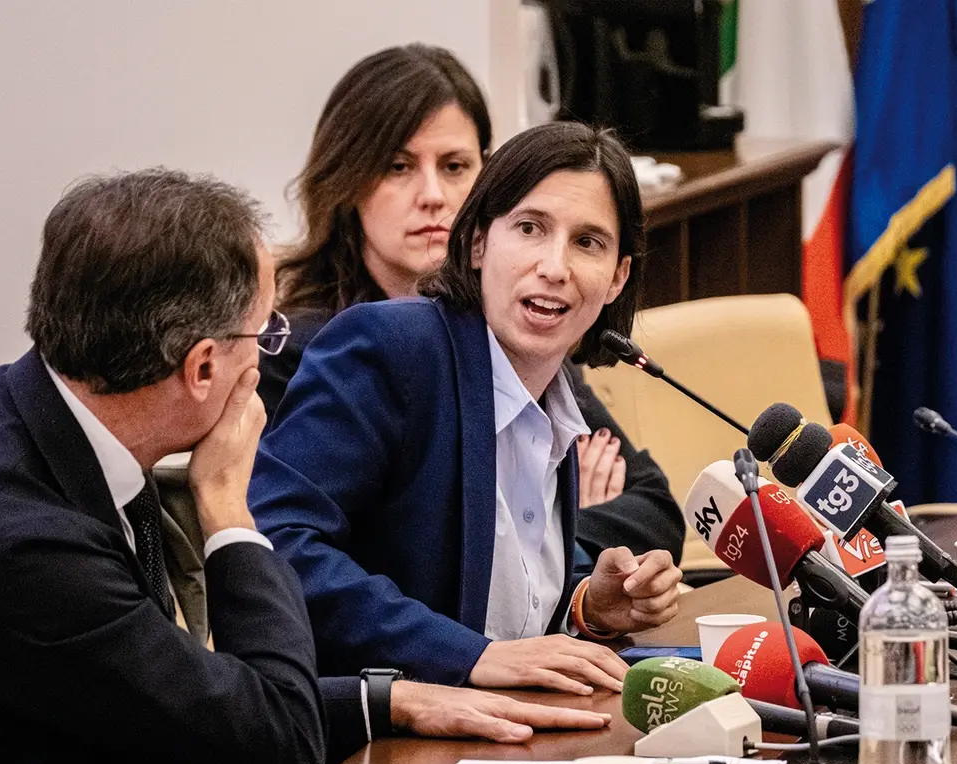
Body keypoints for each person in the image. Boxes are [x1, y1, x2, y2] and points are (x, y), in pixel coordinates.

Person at [0, 169, 610, 764]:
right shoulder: (19, 540)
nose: (265, 361)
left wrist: (383, 698)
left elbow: (185, 694)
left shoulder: (33, 412)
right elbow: (270, 750)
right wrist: (228, 506)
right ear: (200, 367)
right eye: (264, 336)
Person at [251, 122, 684, 694]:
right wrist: (469, 656)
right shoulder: (392, 348)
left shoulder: (553, 390)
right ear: (478, 242)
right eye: (530, 228)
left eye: (588, 242)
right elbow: (274, 543)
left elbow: (496, 593)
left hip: (507, 732)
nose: (556, 267)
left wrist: (585, 603)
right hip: (375, 743)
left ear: (616, 278)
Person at [262, 43, 685, 563]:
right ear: (347, 179)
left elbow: (653, 508)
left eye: (456, 165)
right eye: (398, 167)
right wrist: (545, 533)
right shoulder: (308, 348)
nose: (434, 195)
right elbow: (306, 547)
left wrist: (558, 549)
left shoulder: (519, 321)